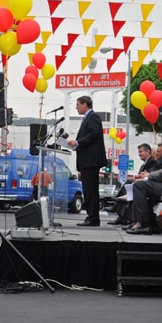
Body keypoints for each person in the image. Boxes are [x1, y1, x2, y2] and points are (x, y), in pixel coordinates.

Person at [67, 95, 107, 227]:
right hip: (87, 160)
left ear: (85, 104)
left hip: (91, 160)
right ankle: (92, 216)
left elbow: (94, 134)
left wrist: (78, 142)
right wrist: (77, 145)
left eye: (78, 104)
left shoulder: (93, 117)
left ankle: (93, 218)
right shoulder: (87, 118)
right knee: (88, 190)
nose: (76, 107)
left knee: (91, 190)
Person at [109, 144, 160, 226]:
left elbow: (153, 175)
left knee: (134, 183)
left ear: (148, 152)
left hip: (151, 187)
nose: (139, 154)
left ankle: (120, 207)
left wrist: (144, 176)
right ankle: (121, 211)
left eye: (141, 152)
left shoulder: (153, 162)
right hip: (147, 184)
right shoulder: (147, 163)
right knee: (132, 182)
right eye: (138, 152)